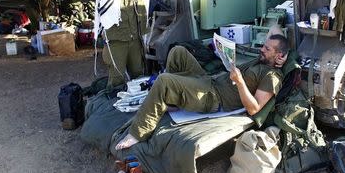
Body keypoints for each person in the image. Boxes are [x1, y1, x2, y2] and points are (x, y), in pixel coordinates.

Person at [115, 34, 290, 150]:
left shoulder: (271, 76)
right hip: (209, 81)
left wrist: (240, 82)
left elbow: (254, 108)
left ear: (279, 55)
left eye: (267, 49)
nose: (262, 49)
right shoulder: (262, 61)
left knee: (164, 81)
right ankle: (173, 100)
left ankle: (138, 133)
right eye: (264, 46)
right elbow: (276, 30)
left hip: (213, 97)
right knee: (178, 52)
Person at [88, 0, 163, 89]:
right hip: (116, 39)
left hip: (135, 38)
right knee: (117, 78)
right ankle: (114, 108)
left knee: (139, 75)